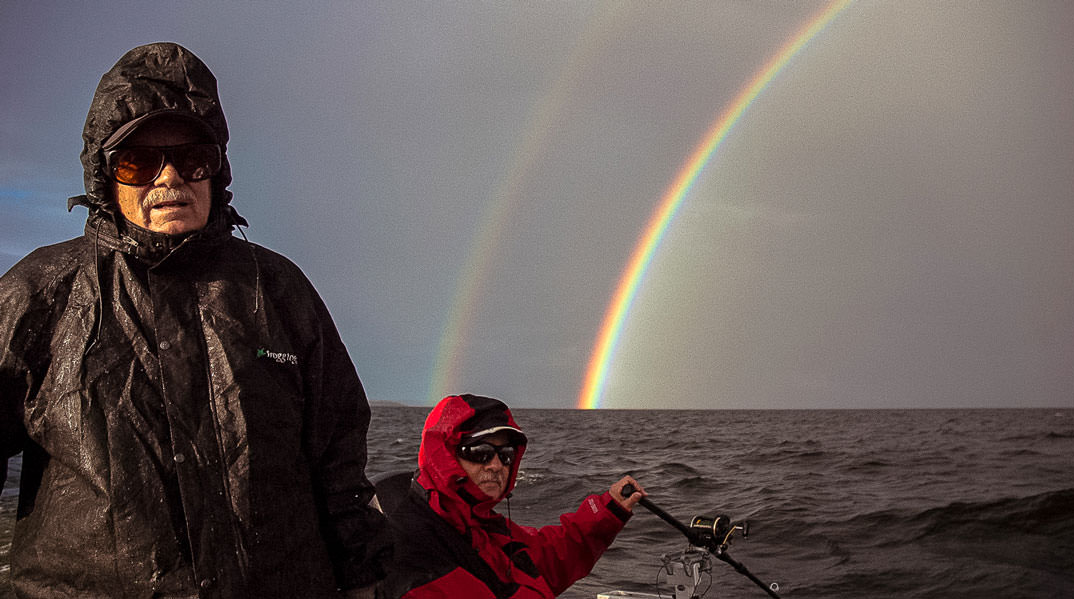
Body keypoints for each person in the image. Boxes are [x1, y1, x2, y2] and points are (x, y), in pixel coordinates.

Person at [0, 42, 389, 598]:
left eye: (192, 158)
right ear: (105, 176)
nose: (169, 179)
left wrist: (361, 580)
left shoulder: (277, 289)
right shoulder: (40, 292)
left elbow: (339, 461)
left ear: (217, 170)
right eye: (137, 161)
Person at [378, 394, 645, 598]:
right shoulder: (416, 551)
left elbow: (544, 559)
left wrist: (608, 512)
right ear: (445, 456)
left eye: (505, 455)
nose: (495, 465)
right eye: (479, 452)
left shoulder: (479, 524)